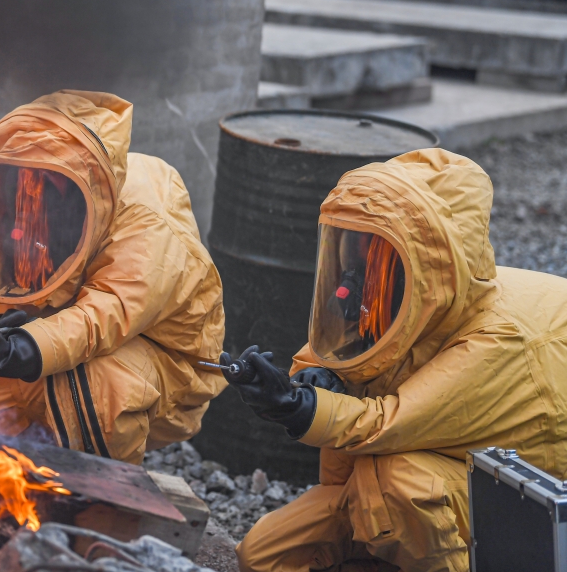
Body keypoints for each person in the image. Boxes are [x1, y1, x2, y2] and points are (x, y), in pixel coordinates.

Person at [224, 149, 567, 572]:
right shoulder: (414, 307)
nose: (352, 280)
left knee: (397, 483)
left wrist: (298, 409)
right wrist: (311, 377)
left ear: (430, 269)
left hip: (526, 492)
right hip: (427, 467)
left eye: (375, 258)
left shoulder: (497, 339)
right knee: (263, 555)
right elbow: (336, 356)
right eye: (355, 252)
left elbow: (390, 423)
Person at [0, 90, 226, 463]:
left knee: (97, 385)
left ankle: (91, 496)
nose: (29, 201)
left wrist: (19, 348)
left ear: (87, 189)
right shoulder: (0, 206)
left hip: (157, 369)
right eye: (22, 185)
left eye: (45, 187)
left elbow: (104, 314)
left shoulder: (147, 221)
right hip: (37, 349)